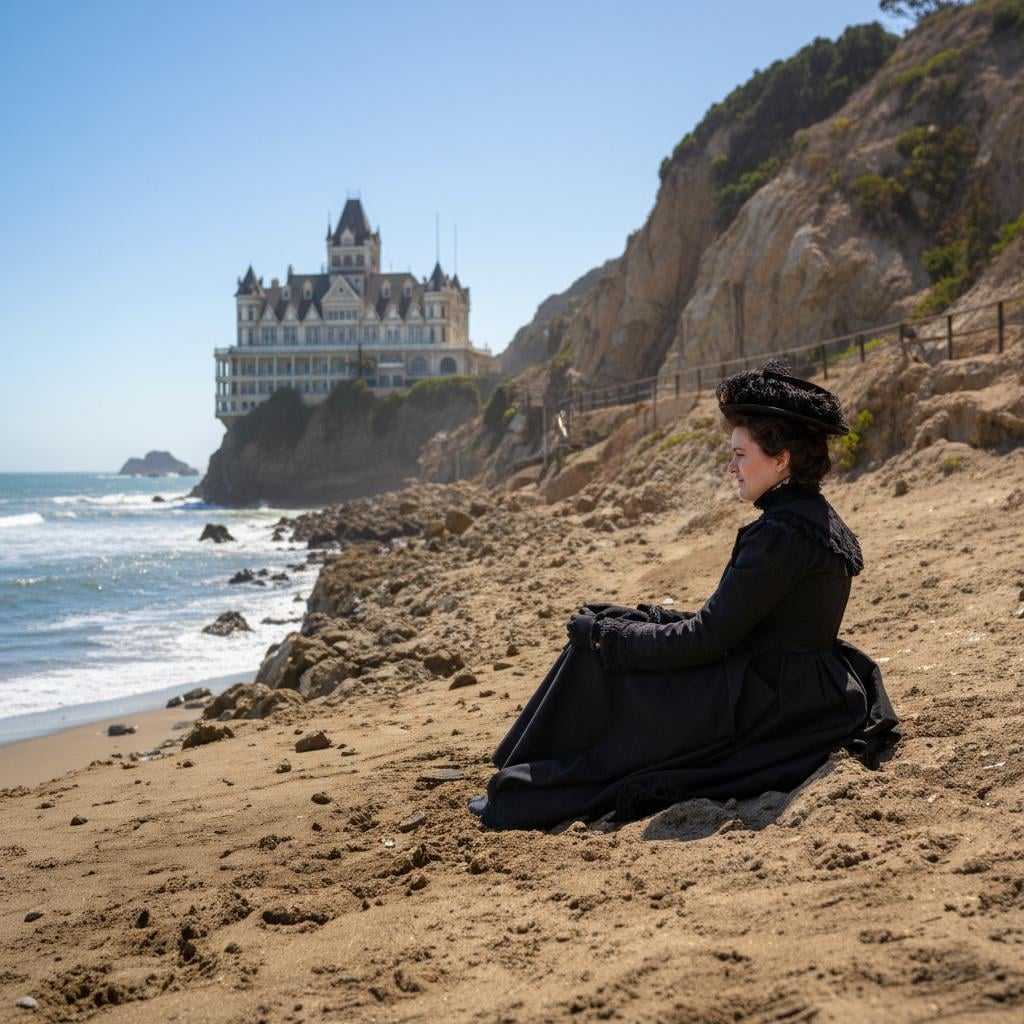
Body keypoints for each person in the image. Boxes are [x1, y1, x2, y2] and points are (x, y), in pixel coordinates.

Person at [467, 361, 899, 831]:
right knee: (608, 621)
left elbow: (706, 640)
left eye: (739, 454)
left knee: (597, 652)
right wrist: (635, 620)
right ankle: (530, 772)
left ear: (781, 459)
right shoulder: (810, 516)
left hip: (767, 701)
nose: (730, 466)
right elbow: (742, 619)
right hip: (799, 682)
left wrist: (608, 639)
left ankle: (532, 787)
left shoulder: (781, 535)